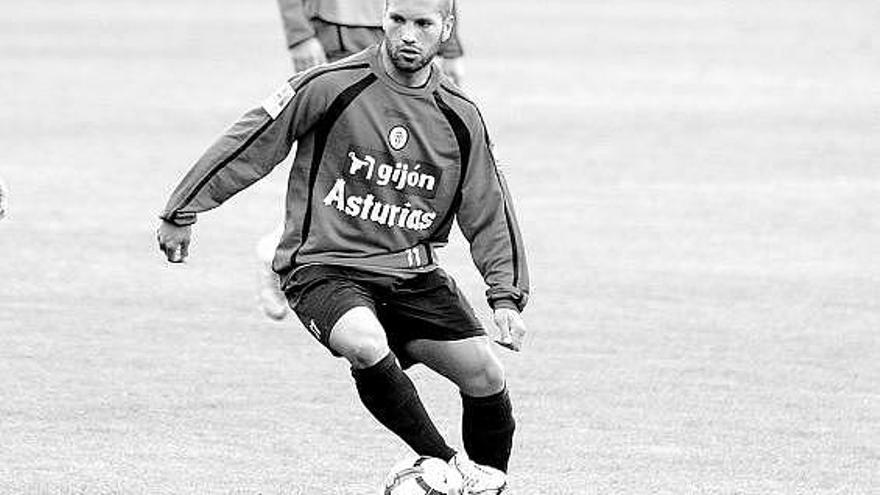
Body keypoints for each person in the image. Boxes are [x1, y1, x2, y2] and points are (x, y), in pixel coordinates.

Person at [156, 0, 528, 492]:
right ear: (384, 18)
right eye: (398, 21)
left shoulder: (460, 115)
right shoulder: (329, 85)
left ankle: (490, 485)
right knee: (365, 343)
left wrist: (505, 296)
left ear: (447, 29)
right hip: (324, 267)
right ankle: (447, 465)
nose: (408, 36)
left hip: (412, 274)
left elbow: (488, 207)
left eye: (423, 24)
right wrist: (182, 209)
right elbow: (251, 140)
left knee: (485, 376)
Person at [258, 0, 466, 319]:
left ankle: (378, 269)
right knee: (351, 156)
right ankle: (289, 251)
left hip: (410, 27)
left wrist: (448, 45)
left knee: (395, 157)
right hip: (340, 27)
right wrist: (299, 32)